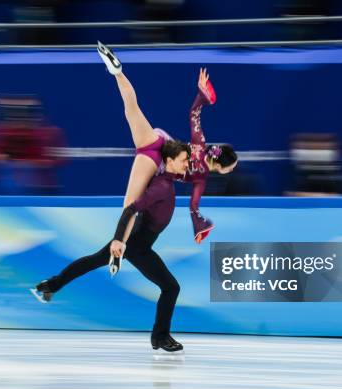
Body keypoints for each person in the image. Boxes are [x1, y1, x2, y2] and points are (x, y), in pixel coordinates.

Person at [31, 141, 191, 353]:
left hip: (138, 242)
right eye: (184, 160)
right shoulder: (160, 187)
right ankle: (160, 337)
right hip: (137, 245)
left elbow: (194, 173)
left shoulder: (168, 180)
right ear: (169, 161)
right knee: (171, 287)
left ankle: (51, 285)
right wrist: (118, 240)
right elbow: (130, 210)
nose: (187, 164)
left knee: (92, 261)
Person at [96, 42, 238, 248]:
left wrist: (201, 96)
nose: (231, 171)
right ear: (222, 167)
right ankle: (116, 250)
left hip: (159, 140)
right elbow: (193, 206)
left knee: (132, 109)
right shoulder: (201, 178)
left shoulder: (200, 144)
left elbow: (194, 113)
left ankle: (117, 71)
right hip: (155, 161)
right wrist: (200, 226)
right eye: (231, 168)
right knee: (129, 207)